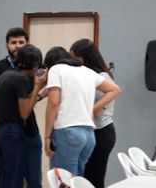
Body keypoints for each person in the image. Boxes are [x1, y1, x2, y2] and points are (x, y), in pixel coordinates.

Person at [0, 45, 46, 188]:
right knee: (15, 186)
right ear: (34, 64)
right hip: (13, 133)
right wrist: (38, 87)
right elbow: (24, 112)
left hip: (2, 131)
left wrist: (37, 93)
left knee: (5, 185)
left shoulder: (6, 75)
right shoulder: (21, 80)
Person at [42, 46, 119, 179]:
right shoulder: (87, 71)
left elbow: (53, 103)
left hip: (67, 132)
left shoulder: (56, 69)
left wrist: (47, 137)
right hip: (89, 135)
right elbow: (115, 89)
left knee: (63, 183)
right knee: (77, 182)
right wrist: (93, 109)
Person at [70, 39, 119, 187]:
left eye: (75, 58)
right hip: (92, 132)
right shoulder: (87, 75)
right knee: (87, 178)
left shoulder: (102, 77)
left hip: (101, 132)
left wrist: (90, 110)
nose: (72, 62)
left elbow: (98, 109)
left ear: (86, 58)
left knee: (94, 179)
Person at [0, 27, 29, 137]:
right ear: (7, 45)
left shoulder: (32, 68)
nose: (17, 46)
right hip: (5, 127)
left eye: (21, 42)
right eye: (13, 42)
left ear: (27, 45)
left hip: (29, 127)